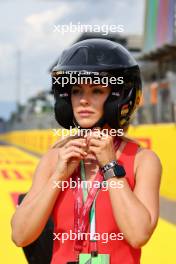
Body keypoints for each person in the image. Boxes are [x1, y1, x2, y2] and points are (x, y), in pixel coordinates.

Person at [11, 39, 162, 264]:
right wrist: (58, 177)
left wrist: (111, 166)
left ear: (118, 97)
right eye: (76, 90)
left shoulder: (142, 160)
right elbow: (20, 235)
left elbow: (138, 235)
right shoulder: (55, 158)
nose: (83, 100)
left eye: (97, 91)